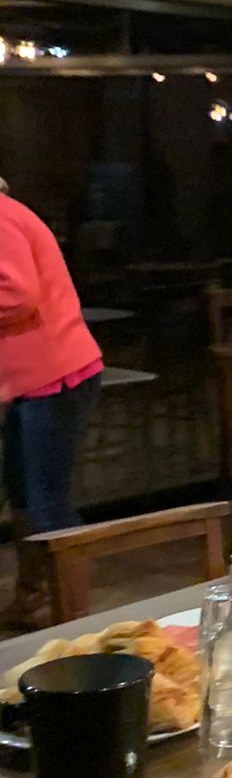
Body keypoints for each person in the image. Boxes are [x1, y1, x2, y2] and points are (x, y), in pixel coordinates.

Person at [0, 182, 103, 624]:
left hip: (56, 374)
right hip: (29, 380)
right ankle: (34, 598)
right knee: (24, 496)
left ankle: (74, 611)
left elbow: (18, 294)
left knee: (46, 499)